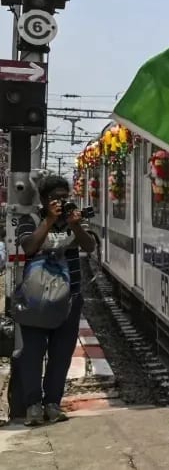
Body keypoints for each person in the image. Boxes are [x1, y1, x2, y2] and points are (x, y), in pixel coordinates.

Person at [13, 174, 96, 426]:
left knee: (61, 356)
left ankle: (52, 403)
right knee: (32, 355)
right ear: (44, 200)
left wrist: (77, 225)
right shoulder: (31, 220)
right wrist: (49, 220)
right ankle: (33, 406)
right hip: (35, 301)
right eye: (55, 199)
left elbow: (90, 246)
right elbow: (28, 247)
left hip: (69, 299)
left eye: (64, 197)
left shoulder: (73, 219)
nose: (61, 202)